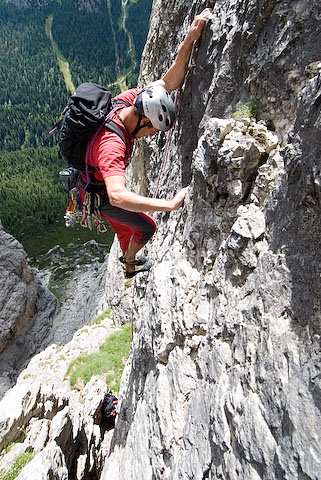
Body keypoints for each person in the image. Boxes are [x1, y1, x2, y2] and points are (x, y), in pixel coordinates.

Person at [83, 8, 212, 278]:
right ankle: (130, 261)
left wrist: (190, 38)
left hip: (100, 182)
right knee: (146, 228)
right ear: (144, 120)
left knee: (125, 228)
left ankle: (128, 263)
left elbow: (168, 81)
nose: (152, 135)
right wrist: (169, 204)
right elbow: (117, 196)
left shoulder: (131, 100)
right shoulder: (112, 145)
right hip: (103, 196)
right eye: (153, 130)